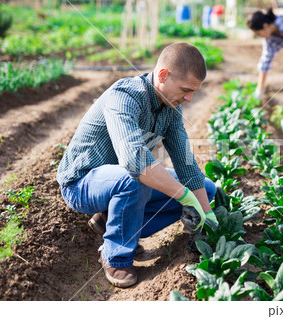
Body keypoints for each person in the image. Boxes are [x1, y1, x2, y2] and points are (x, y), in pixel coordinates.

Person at [56, 43, 218, 288]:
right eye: (185, 89)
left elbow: (187, 167)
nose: (189, 98)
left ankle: (109, 220)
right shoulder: (124, 96)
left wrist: (207, 217)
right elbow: (135, 161)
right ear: (163, 75)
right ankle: (116, 256)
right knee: (135, 178)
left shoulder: (171, 110)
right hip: (81, 182)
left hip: (117, 181)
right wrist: (184, 196)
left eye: (193, 92)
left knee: (206, 188)